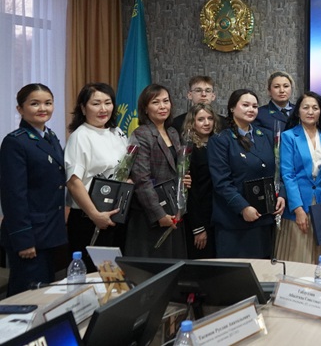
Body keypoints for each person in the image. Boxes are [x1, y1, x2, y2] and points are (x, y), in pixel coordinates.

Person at [0, 84, 67, 296]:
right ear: (20, 109)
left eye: (48, 103)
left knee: (45, 295)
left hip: (49, 232)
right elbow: (13, 196)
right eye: (35, 103)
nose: (43, 108)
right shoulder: (15, 142)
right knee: (26, 298)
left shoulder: (50, 137)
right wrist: (23, 240)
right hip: (30, 236)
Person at [209, 89, 286, 258]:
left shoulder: (266, 135)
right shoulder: (221, 140)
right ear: (232, 108)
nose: (251, 109)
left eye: (255, 106)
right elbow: (222, 182)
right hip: (234, 221)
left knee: (263, 270)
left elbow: (278, 169)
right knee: (237, 272)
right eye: (245, 105)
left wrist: (281, 194)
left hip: (264, 218)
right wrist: (243, 207)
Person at [64, 83, 129, 270]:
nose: (103, 109)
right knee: (93, 274)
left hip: (115, 215)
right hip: (89, 218)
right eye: (96, 103)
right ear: (83, 108)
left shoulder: (117, 133)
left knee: (115, 275)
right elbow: (74, 182)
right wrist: (95, 215)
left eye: (108, 103)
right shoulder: (80, 136)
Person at [275, 92, 321, 265]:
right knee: (299, 257)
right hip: (299, 204)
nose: (310, 112)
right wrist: (298, 209)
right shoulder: (289, 136)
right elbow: (288, 175)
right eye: (305, 108)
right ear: (298, 111)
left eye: (315, 108)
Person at [126, 84, 190, 258]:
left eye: (166, 101)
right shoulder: (142, 134)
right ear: (145, 108)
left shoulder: (173, 132)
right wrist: (159, 214)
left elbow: (176, 169)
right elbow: (141, 180)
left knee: (175, 263)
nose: (163, 106)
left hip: (174, 208)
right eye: (156, 102)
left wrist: (184, 180)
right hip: (151, 215)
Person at [181, 102, 220, 259]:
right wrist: (198, 227)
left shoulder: (219, 144)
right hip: (200, 216)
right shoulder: (189, 150)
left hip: (217, 215)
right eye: (201, 119)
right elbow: (190, 191)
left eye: (210, 118)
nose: (207, 123)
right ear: (192, 123)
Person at [254, 71, 295, 136]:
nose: (282, 90)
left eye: (286, 86)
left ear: (291, 89)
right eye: (276, 87)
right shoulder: (259, 114)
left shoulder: (299, 111)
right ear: (269, 90)